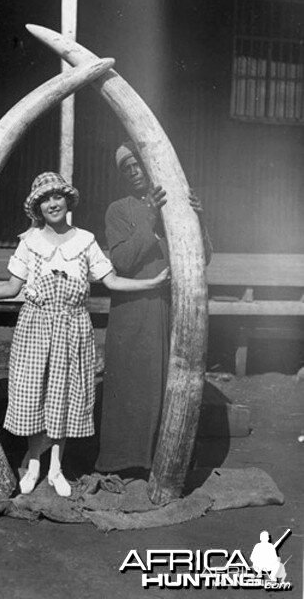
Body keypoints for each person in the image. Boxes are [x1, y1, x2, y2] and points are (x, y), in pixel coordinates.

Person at [0, 172, 169, 498]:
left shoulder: (85, 241)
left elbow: (113, 281)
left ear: (67, 200)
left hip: (73, 328)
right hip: (35, 327)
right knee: (35, 396)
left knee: (64, 397)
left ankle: (56, 468)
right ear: (37, 206)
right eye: (45, 199)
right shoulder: (29, 242)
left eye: (58, 196)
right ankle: (34, 462)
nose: (53, 203)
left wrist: (151, 283)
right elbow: (9, 287)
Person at [95, 140, 212, 476]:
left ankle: (163, 460)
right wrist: (148, 216)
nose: (134, 173)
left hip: (171, 308)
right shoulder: (119, 209)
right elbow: (121, 260)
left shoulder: (175, 206)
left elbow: (201, 257)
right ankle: (122, 461)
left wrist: (197, 219)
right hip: (135, 309)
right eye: (126, 168)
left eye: (138, 165)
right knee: (133, 383)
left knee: (168, 382)